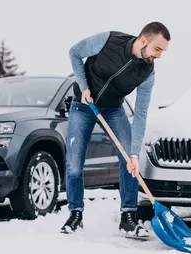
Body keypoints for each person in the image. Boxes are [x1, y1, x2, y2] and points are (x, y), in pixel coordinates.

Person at [61, 22, 170, 238]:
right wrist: (83, 87)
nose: (159, 56)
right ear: (143, 40)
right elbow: (74, 53)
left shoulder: (147, 73)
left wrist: (134, 153)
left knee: (129, 161)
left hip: (112, 109)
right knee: (74, 164)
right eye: (158, 49)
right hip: (83, 105)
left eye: (163, 51)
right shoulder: (108, 40)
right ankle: (75, 214)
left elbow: (140, 114)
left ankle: (128, 217)